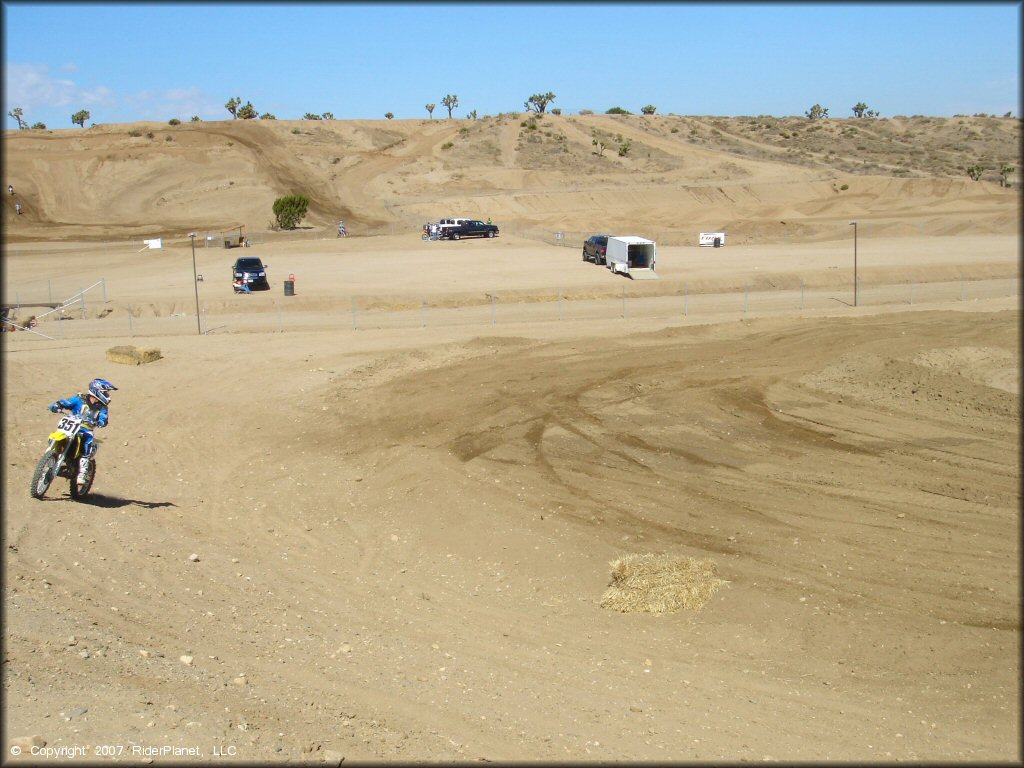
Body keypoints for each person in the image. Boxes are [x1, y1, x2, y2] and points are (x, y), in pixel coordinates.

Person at [49, 378, 118, 484]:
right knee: (58, 434)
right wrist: (58, 405)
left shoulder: (102, 407)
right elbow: (67, 402)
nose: (108, 395)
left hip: (86, 429)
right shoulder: (80, 399)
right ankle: (51, 454)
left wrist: (101, 422)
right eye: (106, 393)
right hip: (72, 425)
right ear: (97, 391)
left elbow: (104, 418)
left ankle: (82, 472)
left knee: (88, 440)